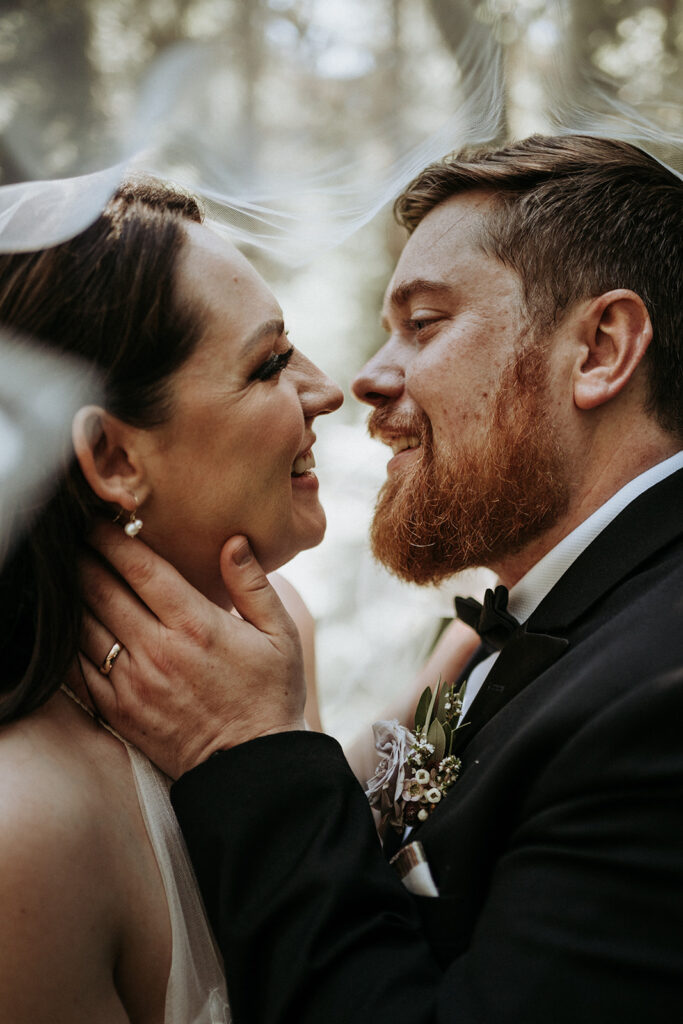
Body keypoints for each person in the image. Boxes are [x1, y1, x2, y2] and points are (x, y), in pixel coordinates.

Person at [76, 135, 682, 1023]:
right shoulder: (532, 628)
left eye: (423, 323)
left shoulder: (657, 696)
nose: (363, 377)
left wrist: (252, 754)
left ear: (598, 349)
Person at [0, 176, 352, 1022]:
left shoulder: (275, 637)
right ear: (115, 458)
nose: (327, 389)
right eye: (269, 364)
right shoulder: (29, 835)